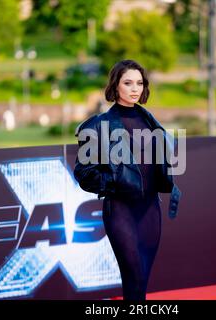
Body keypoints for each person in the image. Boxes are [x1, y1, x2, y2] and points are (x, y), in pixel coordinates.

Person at [74, 59, 181, 301]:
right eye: (128, 83)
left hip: (150, 210)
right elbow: (84, 173)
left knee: (142, 279)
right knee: (133, 274)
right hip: (120, 211)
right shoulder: (98, 125)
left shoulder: (153, 123)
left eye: (140, 83)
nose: (135, 89)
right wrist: (115, 182)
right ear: (116, 86)